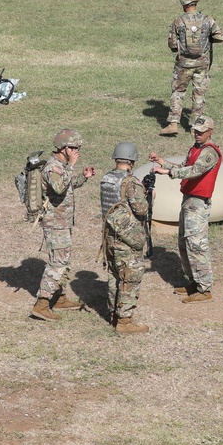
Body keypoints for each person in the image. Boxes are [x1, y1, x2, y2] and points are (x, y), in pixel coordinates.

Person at [150, 115, 221, 302]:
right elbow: (184, 166)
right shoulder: (195, 149)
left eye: (201, 132)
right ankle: (194, 283)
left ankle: (204, 289)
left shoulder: (209, 153)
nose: (197, 134)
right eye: (195, 131)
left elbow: (193, 171)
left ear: (210, 133)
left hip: (198, 203)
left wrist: (169, 172)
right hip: (189, 200)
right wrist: (162, 162)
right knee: (184, 243)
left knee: (197, 245)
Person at [31, 128, 96, 321]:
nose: (77, 151)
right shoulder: (53, 167)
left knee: (63, 259)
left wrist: (83, 177)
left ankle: (58, 298)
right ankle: (41, 304)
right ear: (64, 147)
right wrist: (72, 166)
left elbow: (65, 187)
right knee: (58, 262)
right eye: (74, 148)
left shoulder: (61, 165)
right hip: (55, 223)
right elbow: (59, 186)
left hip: (62, 221)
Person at [160, 0, 223, 136]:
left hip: (183, 64)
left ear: (183, 4)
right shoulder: (207, 20)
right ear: (196, 2)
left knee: (178, 92)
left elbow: (172, 45)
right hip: (202, 64)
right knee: (199, 94)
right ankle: (195, 126)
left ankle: (173, 124)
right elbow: (221, 37)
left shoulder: (178, 21)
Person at [100, 142, 151, 334]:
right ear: (131, 160)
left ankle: (113, 313)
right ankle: (124, 321)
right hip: (127, 240)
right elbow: (141, 209)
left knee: (114, 275)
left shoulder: (106, 179)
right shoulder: (130, 182)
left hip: (110, 237)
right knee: (130, 278)